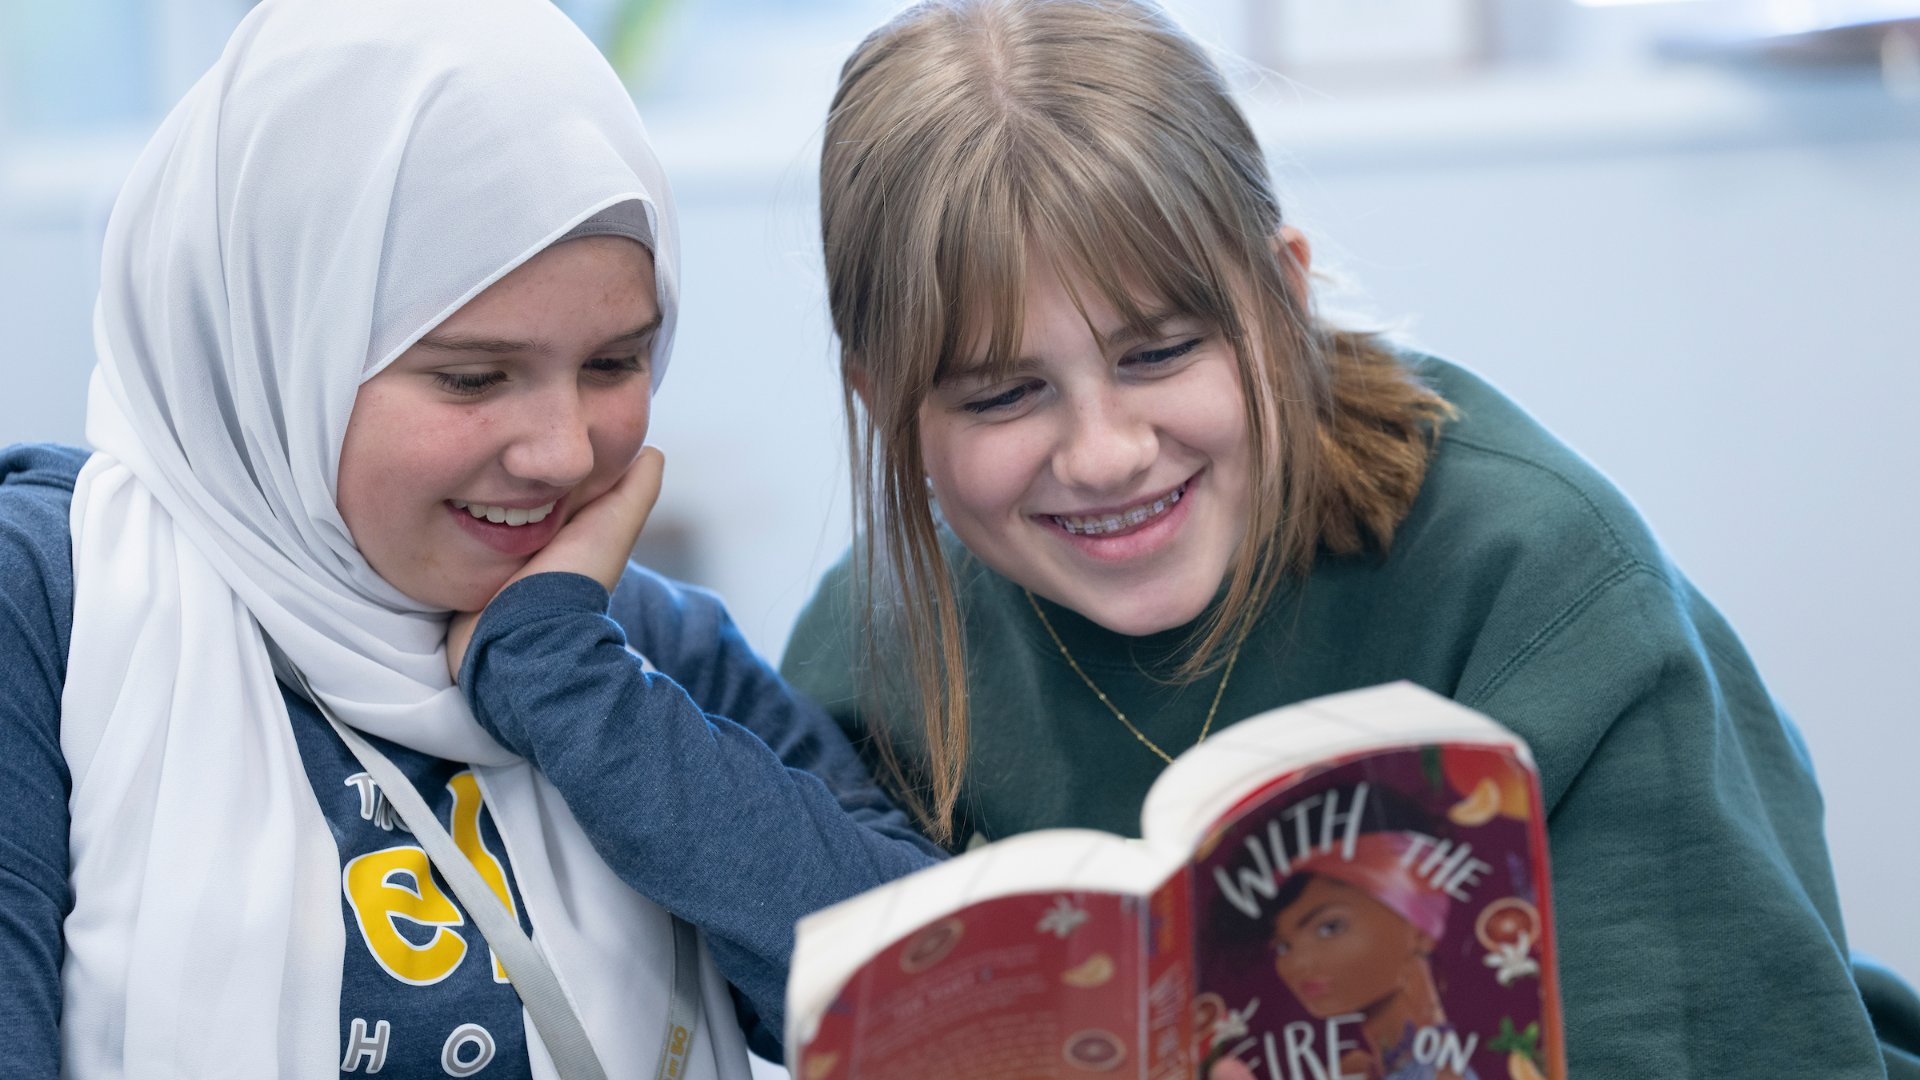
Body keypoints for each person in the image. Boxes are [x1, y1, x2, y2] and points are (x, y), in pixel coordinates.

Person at [776, 0, 1920, 1076]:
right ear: (889, 405)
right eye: (1003, 396)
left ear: (1281, 300)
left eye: (1160, 354)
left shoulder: (1538, 574)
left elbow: (1718, 1033)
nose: (1104, 452)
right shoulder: (870, 645)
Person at [0, 0, 943, 1075]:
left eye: (614, 364)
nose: (560, 452)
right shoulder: (52, 601)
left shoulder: (624, 642)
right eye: (472, 377)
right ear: (279, 340)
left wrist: (569, 686)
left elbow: (940, 1010)